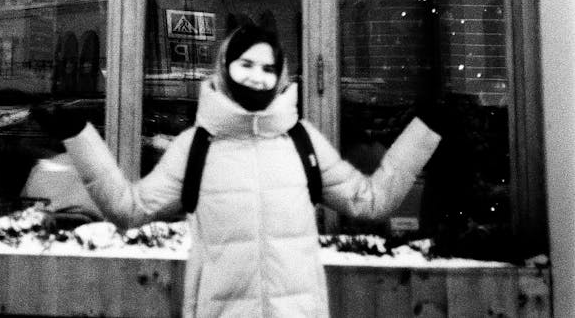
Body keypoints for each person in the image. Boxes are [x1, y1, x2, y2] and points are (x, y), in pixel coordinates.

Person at [34, 23, 441, 318]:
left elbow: (370, 202)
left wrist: (425, 133)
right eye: (246, 64)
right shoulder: (197, 145)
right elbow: (130, 208)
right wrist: (78, 136)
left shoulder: (301, 141)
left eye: (268, 69)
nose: (257, 77)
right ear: (225, 67)